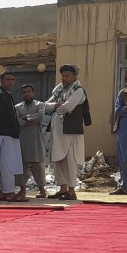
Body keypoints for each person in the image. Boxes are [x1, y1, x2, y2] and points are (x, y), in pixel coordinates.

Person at [45, 64, 90, 201]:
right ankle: (62, 188)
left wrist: (55, 107)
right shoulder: (58, 90)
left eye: (67, 76)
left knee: (70, 160)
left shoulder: (78, 90)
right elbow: (45, 106)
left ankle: (71, 190)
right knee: (58, 160)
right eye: (63, 76)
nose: (64, 78)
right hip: (57, 131)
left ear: (74, 76)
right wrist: (54, 106)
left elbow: (69, 106)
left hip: (70, 131)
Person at [0, 71, 24, 202]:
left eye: (12, 79)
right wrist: (12, 129)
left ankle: (0, 192)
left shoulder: (5, 95)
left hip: (5, 135)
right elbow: (1, 118)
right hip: (4, 135)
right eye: (7, 79)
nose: (10, 82)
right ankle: (9, 193)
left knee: (0, 165)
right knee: (6, 165)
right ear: (1, 81)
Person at [15, 84, 48, 199]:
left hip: (36, 141)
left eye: (29, 91)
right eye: (24, 92)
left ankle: (42, 190)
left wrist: (25, 118)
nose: (27, 94)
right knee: (22, 166)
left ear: (33, 93)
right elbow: (16, 120)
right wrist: (29, 120)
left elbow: (39, 117)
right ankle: (22, 190)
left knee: (38, 165)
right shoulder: (17, 107)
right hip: (22, 141)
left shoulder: (40, 105)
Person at [112, 66, 127, 195]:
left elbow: (122, 110)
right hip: (124, 131)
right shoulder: (123, 93)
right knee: (124, 160)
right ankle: (123, 187)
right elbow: (118, 110)